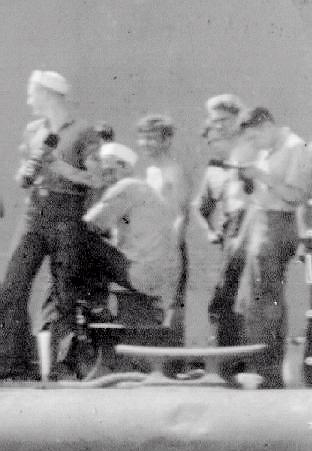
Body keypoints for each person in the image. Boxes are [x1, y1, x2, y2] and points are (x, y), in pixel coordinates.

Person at [0, 70, 100, 380]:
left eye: (32, 93)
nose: (29, 100)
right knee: (12, 285)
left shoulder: (85, 132)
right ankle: (10, 362)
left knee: (63, 294)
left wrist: (58, 166)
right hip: (34, 214)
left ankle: (62, 366)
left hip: (67, 215)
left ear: (48, 94)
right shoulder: (33, 130)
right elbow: (24, 171)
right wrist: (25, 173)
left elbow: (96, 179)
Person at [237, 107, 312, 388]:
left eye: (255, 138)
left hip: (279, 224)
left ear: (267, 126)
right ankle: (261, 371)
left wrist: (262, 175)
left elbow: (297, 194)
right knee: (258, 301)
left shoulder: (295, 148)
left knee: (267, 302)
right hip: (263, 222)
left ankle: (268, 375)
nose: (253, 145)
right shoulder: (268, 150)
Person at [83, 142, 181, 324]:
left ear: (125, 167)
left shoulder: (127, 186)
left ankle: (93, 304)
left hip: (141, 273)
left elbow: (90, 224)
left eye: (110, 172)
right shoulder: (146, 191)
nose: (108, 179)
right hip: (160, 280)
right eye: (104, 174)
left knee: (81, 239)